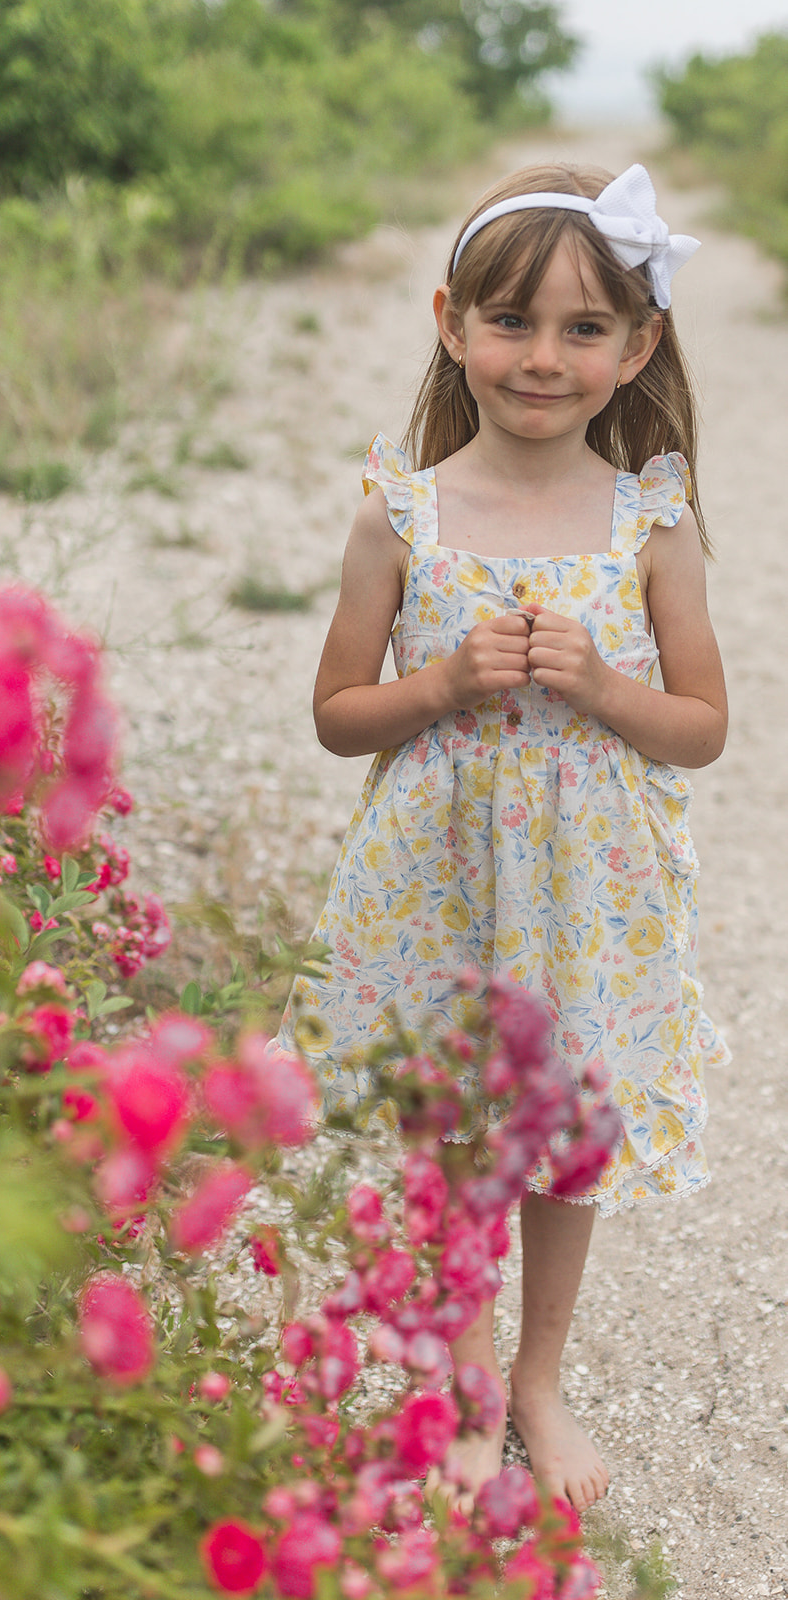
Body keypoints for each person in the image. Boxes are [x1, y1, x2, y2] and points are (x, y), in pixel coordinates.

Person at [275, 162, 729, 1513]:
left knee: (567, 1131)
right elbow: (338, 716)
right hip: (442, 883)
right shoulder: (399, 514)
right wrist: (436, 689)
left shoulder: (654, 521)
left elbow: (701, 725)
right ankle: (468, 1388)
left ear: (637, 345)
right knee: (455, 1133)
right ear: (449, 321)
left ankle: (541, 1374)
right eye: (512, 322)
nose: (544, 357)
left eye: (585, 328)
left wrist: (600, 686)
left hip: (591, 891)